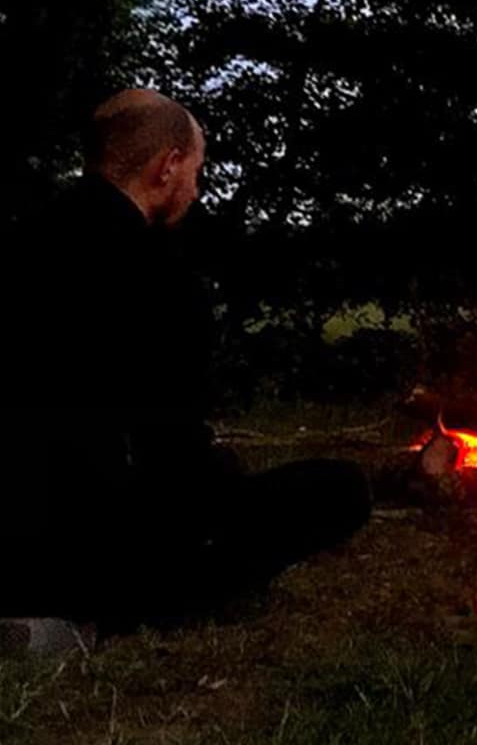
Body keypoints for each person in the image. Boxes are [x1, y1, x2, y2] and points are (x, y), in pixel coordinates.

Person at [4, 89, 370, 635]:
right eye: (197, 170)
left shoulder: (20, 241)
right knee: (339, 489)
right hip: (91, 543)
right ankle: (100, 616)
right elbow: (172, 448)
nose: (196, 189)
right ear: (168, 166)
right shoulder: (160, 276)